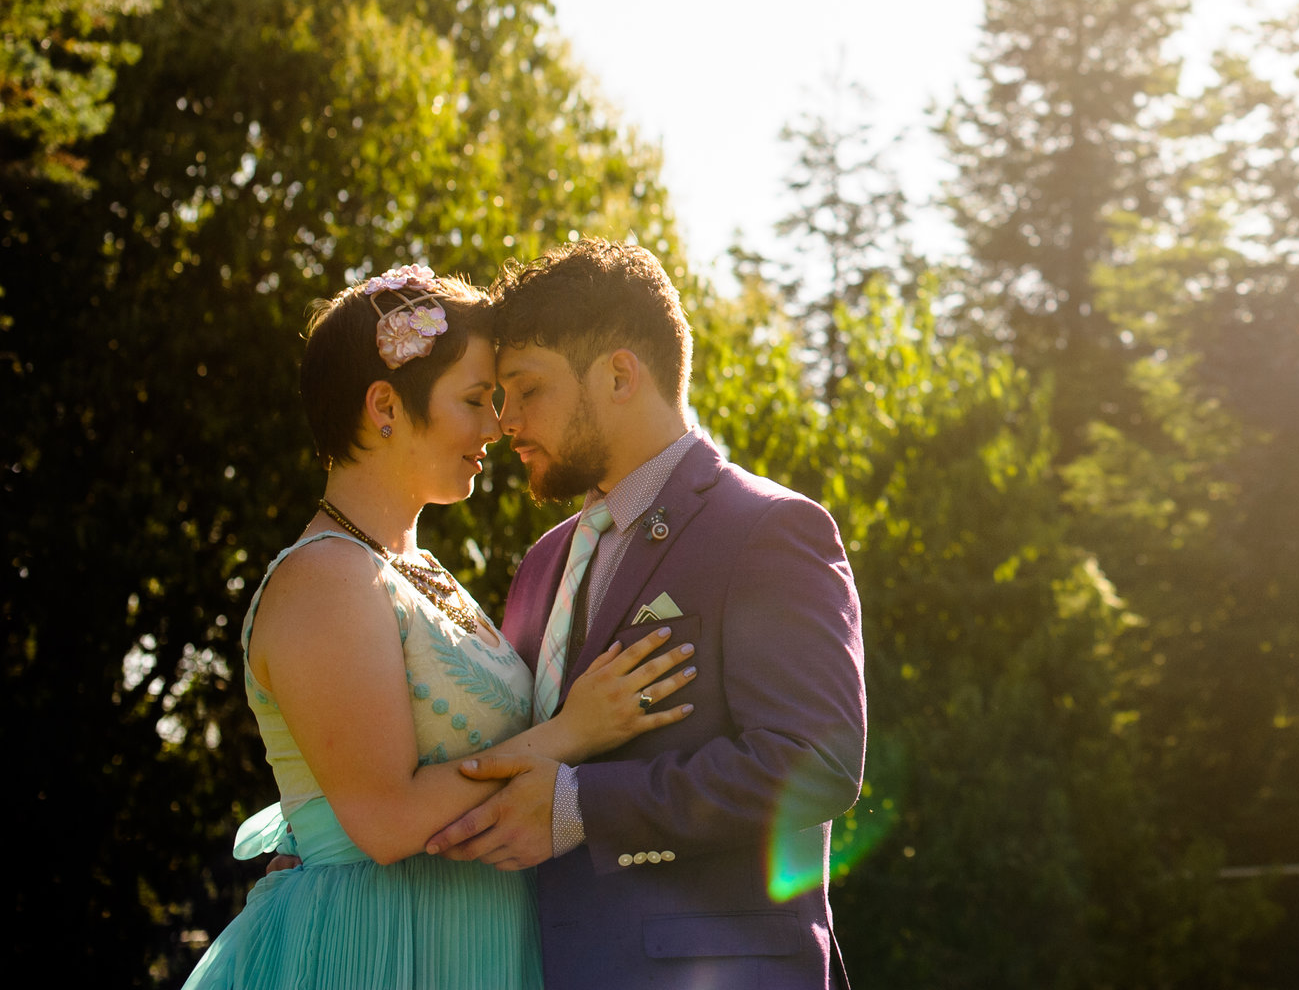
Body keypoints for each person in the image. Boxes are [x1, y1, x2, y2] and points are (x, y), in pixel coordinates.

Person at [186, 266, 700, 990]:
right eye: (475, 400)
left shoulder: (412, 567)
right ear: (385, 406)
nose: (498, 425)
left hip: (472, 942)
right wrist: (574, 731)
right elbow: (389, 820)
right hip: (379, 948)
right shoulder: (327, 579)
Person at [426, 240, 867, 990]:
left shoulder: (769, 531)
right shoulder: (542, 564)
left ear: (620, 375)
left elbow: (814, 763)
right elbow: (507, 756)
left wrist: (583, 809)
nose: (506, 423)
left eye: (527, 390)